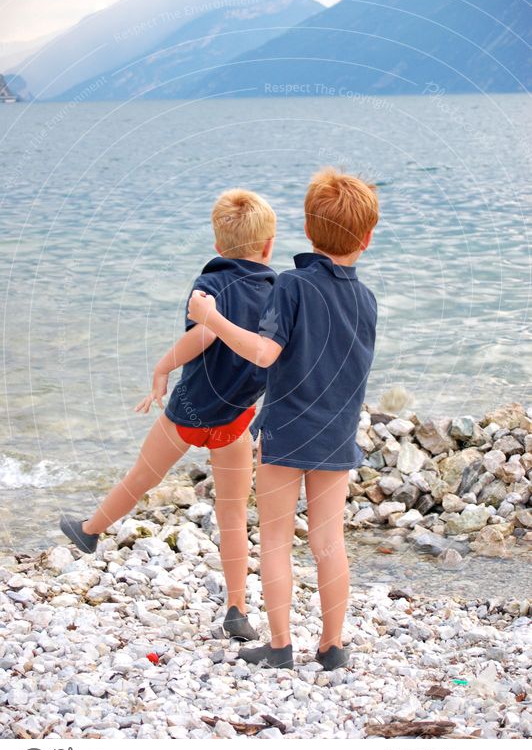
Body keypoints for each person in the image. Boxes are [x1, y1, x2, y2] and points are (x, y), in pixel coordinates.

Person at [60, 188, 277, 641]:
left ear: (218, 246)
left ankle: (90, 530)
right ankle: (236, 607)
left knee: (143, 475)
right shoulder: (279, 294)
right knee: (233, 514)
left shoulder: (210, 285)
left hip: (189, 411)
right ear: (269, 245)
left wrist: (162, 368)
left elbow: (202, 337)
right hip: (235, 421)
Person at [188, 168, 378, 670]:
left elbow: (265, 355)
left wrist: (212, 319)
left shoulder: (292, 285)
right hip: (337, 435)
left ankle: (279, 645)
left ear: (309, 230)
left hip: (287, 430)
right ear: (367, 238)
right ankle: (332, 646)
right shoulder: (367, 299)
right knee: (328, 541)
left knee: (274, 536)